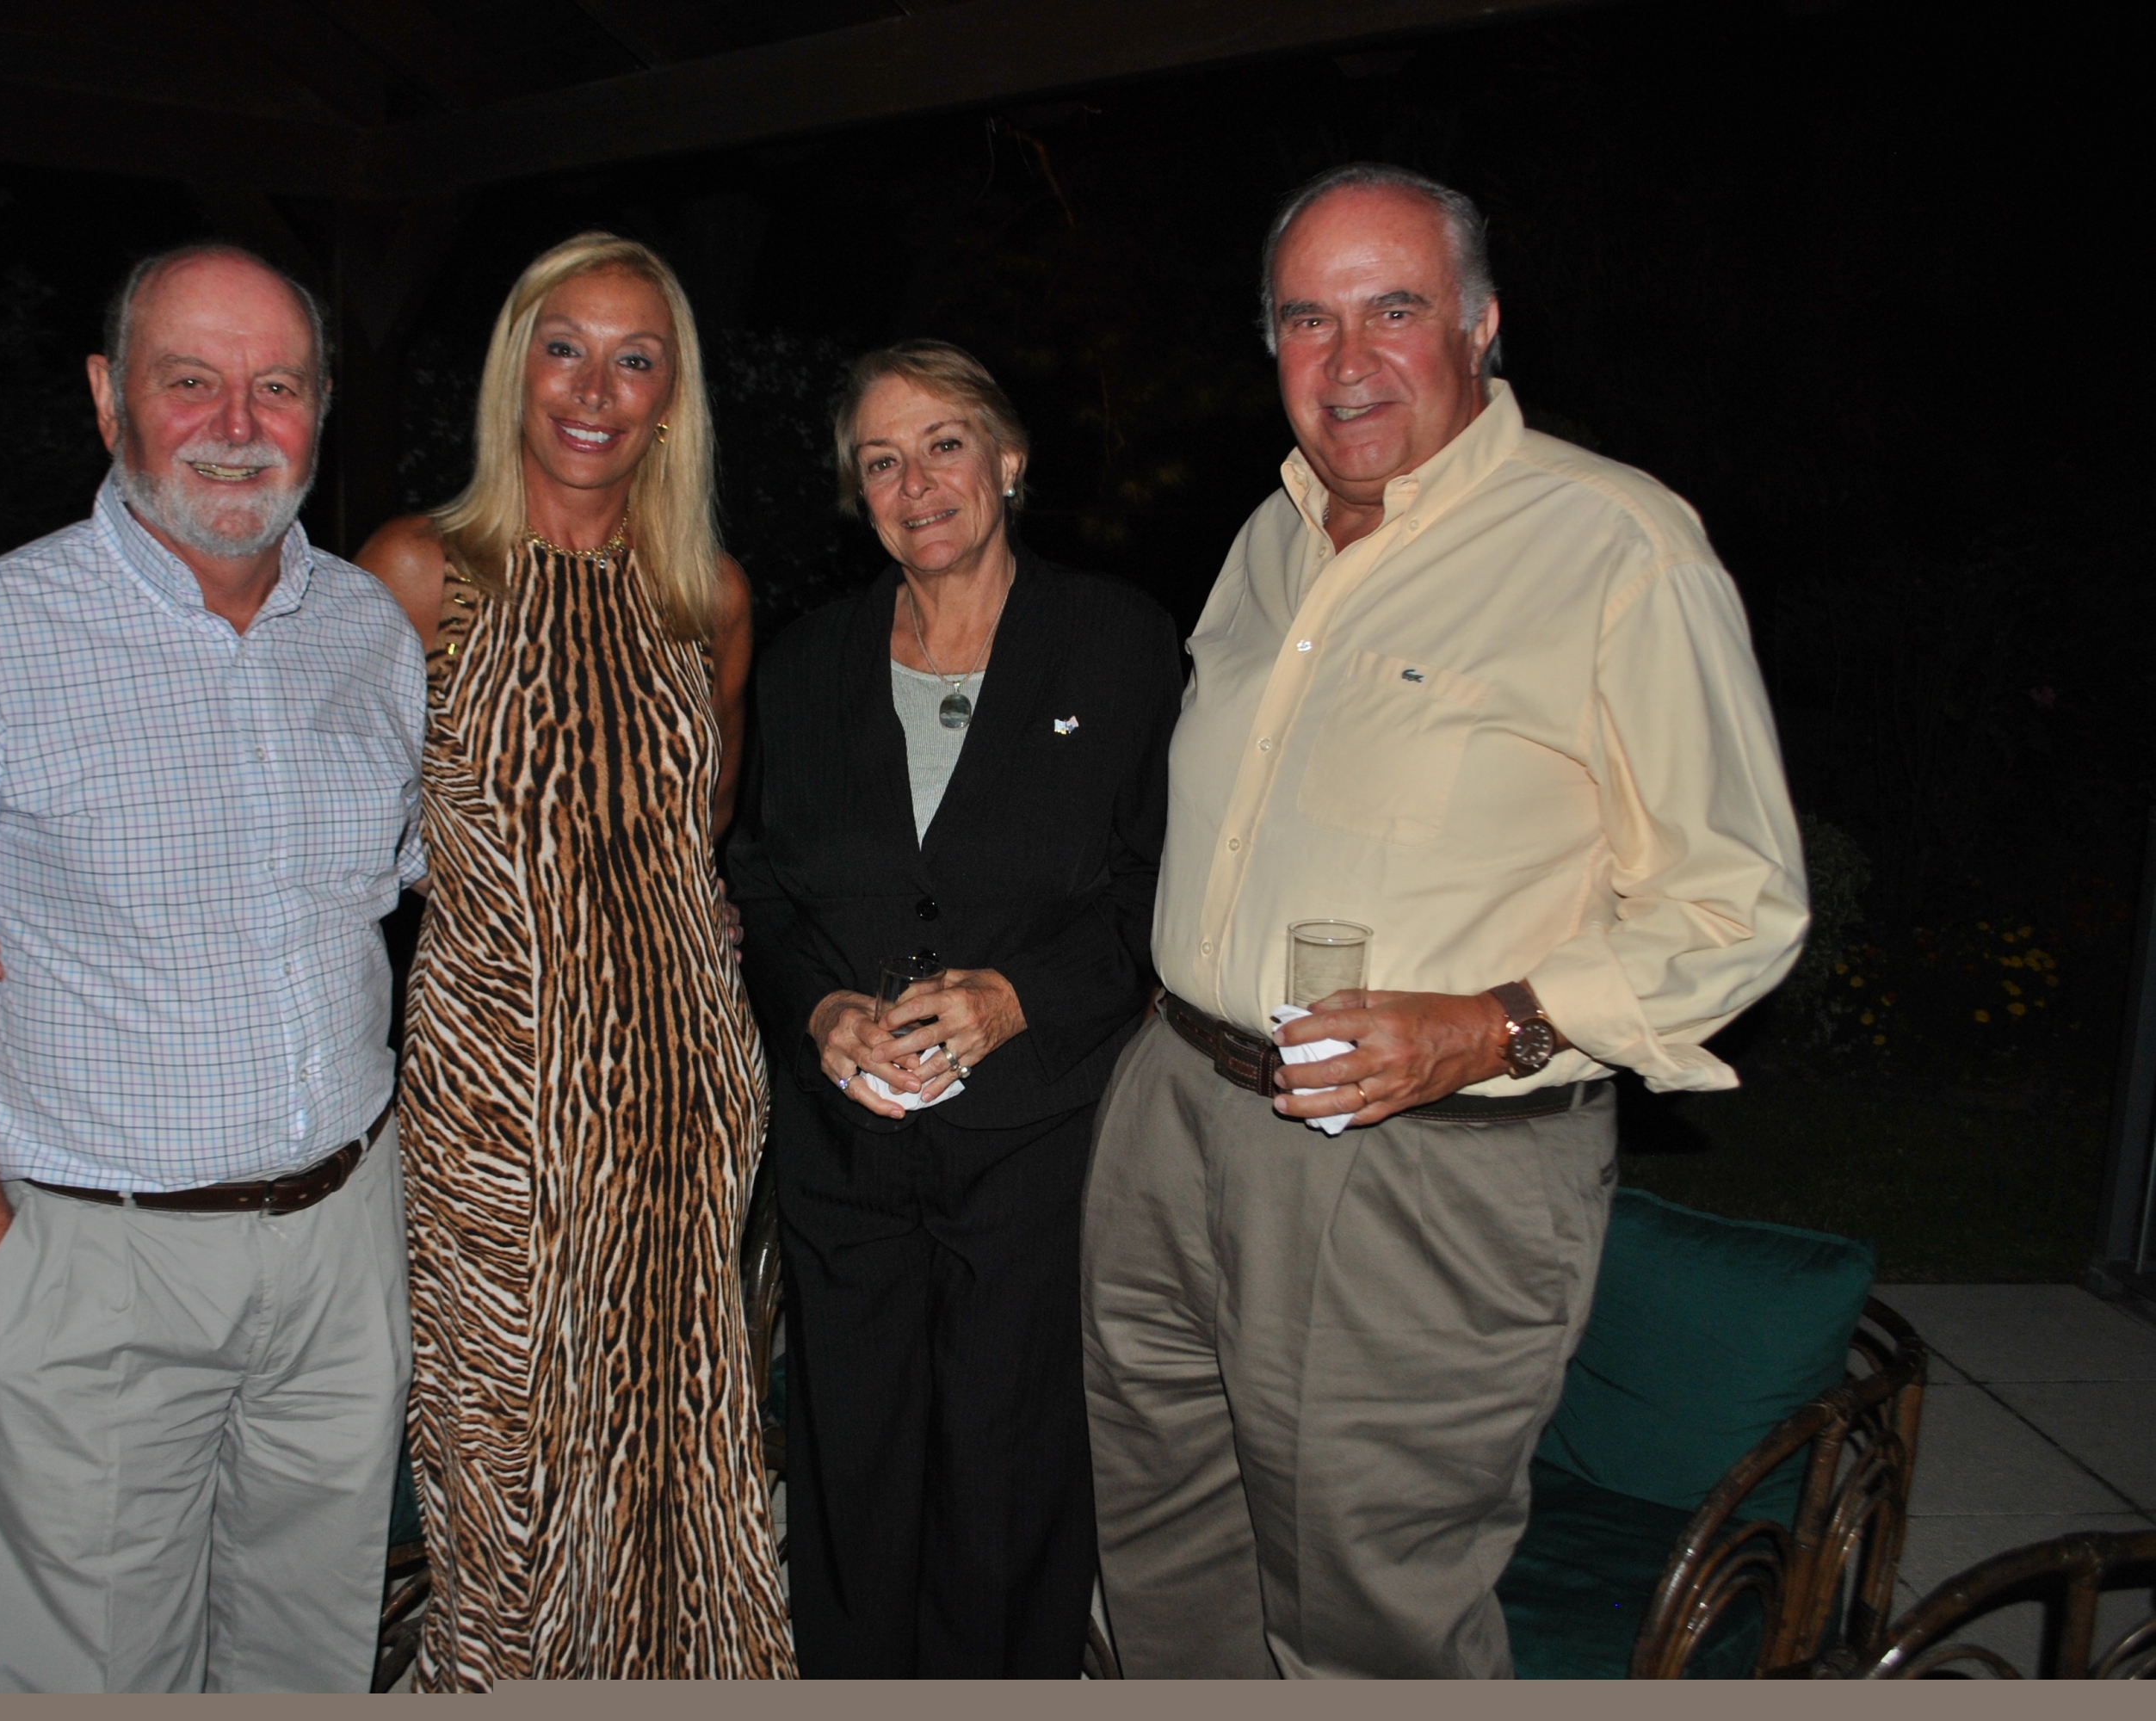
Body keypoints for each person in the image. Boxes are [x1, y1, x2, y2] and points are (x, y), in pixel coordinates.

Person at [1080, 163, 1809, 1680]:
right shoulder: (1269, 537)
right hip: (1176, 1116)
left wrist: (1496, 1024)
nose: (1346, 360)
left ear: (1479, 326)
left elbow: (1739, 900)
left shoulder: (1618, 546)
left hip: (1420, 1162)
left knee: (1370, 1619)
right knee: (1162, 1566)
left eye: (1393, 309)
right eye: (1307, 319)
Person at [0, 244, 423, 1693]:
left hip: (344, 1248)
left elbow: (417, 879)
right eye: (190, 381)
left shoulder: (369, 630)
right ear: (109, 398)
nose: (238, 424)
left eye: (278, 385)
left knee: (307, 1661)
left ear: (322, 406)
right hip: (99, 1263)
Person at [349, 232, 789, 1687]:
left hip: (685, 1094)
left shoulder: (705, 593)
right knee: (510, 1447)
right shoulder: (417, 573)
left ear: (671, 401)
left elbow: (697, 826)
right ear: (515, 372)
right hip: (498, 1095)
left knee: (675, 1436)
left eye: (635, 359)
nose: (595, 390)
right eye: (565, 349)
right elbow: (316, 824)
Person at [727, 342, 1180, 1676]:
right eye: (881, 460)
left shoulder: (1118, 642)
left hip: (1039, 1148)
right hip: (846, 1157)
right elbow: (759, 883)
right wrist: (819, 1011)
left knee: (1009, 1476)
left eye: (943, 444)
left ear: (1009, 459)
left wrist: (1019, 998)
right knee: (853, 1473)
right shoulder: (808, 664)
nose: (916, 483)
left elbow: (1163, 886)